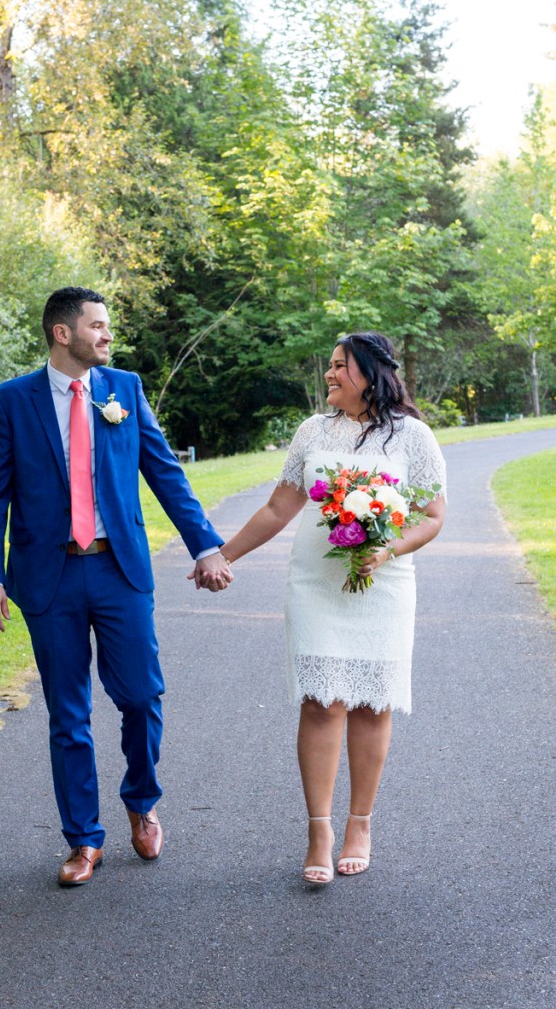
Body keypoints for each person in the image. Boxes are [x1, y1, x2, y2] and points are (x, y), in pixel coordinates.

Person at [0, 287, 232, 886]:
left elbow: (164, 471)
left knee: (141, 697)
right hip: (47, 577)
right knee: (68, 714)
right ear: (64, 333)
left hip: (119, 571)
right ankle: (83, 840)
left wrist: (206, 544)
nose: (108, 335)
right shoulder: (10, 402)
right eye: (98, 326)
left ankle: (141, 802)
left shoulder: (125, 390)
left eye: (108, 326)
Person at [220, 332, 446, 884]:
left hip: (384, 585)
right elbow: (280, 507)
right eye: (329, 366)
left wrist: (387, 547)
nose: (329, 375)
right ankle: (318, 830)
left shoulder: (412, 437)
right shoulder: (312, 432)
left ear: (368, 374)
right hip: (316, 582)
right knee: (322, 702)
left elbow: (433, 515)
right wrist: (221, 556)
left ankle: (359, 824)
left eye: (339, 366)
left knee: (372, 703)